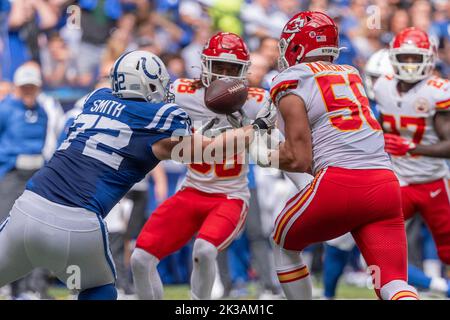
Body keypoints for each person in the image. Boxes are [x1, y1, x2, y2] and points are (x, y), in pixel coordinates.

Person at [0, 49, 275, 300]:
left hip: (27, 207)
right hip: (78, 222)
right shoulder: (160, 117)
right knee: (98, 289)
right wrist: (258, 126)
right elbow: (210, 150)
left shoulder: (97, 98)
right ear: (150, 83)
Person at [239, 11, 418, 300]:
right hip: (385, 184)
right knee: (392, 284)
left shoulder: (291, 79)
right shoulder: (351, 74)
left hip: (340, 183)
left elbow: (300, 159)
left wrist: (263, 154)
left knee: (284, 244)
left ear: (296, 46)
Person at [130, 31, 273, 300]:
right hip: (191, 190)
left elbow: (284, 141)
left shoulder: (257, 101)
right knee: (140, 259)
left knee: (205, 250)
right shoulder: (183, 93)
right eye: (219, 67)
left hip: (229, 196)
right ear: (205, 65)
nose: (223, 75)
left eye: (232, 69)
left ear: (243, 72)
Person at [374, 27, 450, 278]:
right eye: (404, 57)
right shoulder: (382, 86)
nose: (408, 63)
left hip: (434, 182)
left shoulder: (438, 90)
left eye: (415, 57)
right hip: (399, 181)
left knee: (448, 249)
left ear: (428, 57)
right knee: (376, 240)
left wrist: (413, 147)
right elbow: (380, 126)